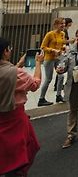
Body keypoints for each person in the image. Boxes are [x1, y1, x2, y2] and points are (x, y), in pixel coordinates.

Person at [0, 39, 43, 177]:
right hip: (15, 121)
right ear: (6, 51)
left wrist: (18, 64)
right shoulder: (18, 74)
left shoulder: (15, 71)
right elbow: (35, 84)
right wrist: (38, 63)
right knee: (18, 158)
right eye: (9, 48)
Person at [38, 17, 66, 106]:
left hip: (59, 58)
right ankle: (41, 99)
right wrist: (53, 50)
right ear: (56, 25)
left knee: (61, 76)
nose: (63, 25)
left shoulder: (62, 34)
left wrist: (63, 48)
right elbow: (43, 47)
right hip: (49, 59)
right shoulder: (49, 34)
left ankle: (58, 96)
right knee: (48, 79)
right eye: (61, 23)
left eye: (64, 23)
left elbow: (62, 44)